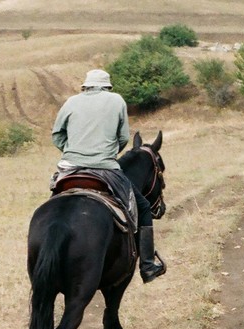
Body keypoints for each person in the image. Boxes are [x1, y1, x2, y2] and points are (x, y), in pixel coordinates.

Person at [51, 69, 166, 282]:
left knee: (55, 202)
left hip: (70, 167)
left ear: (85, 86)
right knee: (141, 206)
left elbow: (57, 135)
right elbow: (123, 138)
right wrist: (108, 153)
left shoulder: (70, 102)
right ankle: (148, 265)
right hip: (105, 167)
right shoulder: (116, 101)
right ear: (107, 86)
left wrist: (73, 150)